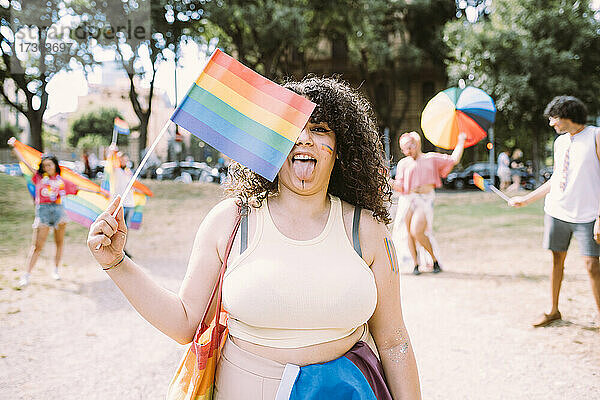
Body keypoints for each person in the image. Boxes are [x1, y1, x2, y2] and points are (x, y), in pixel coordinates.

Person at [87, 77, 421, 399]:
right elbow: (184, 322)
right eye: (291, 130)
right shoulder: (230, 220)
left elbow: (394, 341)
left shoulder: (369, 230)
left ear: (340, 148)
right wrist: (116, 263)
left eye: (319, 129)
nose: (304, 139)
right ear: (268, 146)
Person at [510, 95, 600, 327]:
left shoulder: (595, 136)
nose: (552, 124)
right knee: (556, 260)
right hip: (557, 211)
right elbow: (556, 180)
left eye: (554, 118)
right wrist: (526, 200)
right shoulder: (560, 143)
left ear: (569, 116)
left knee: (592, 266)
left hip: (589, 216)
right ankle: (553, 310)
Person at [8, 138, 101, 287]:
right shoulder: (38, 177)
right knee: (37, 245)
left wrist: (99, 191)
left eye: (49, 165)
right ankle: (27, 274)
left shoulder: (62, 180)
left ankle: (56, 270)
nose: (47, 168)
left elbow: (79, 187)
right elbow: (25, 162)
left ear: (55, 166)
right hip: (43, 211)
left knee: (59, 243)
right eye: (44, 166)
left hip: (58, 211)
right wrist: (15, 147)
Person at [391, 131, 466, 275]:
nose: (408, 151)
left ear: (417, 143)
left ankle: (434, 260)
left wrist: (461, 140)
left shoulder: (430, 158)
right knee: (409, 234)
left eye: (410, 147)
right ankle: (415, 264)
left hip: (424, 201)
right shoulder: (403, 164)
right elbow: (400, 186)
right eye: (404, 149)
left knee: (417, 231)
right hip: (408, 200)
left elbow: (454, 159)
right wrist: (389, 182)